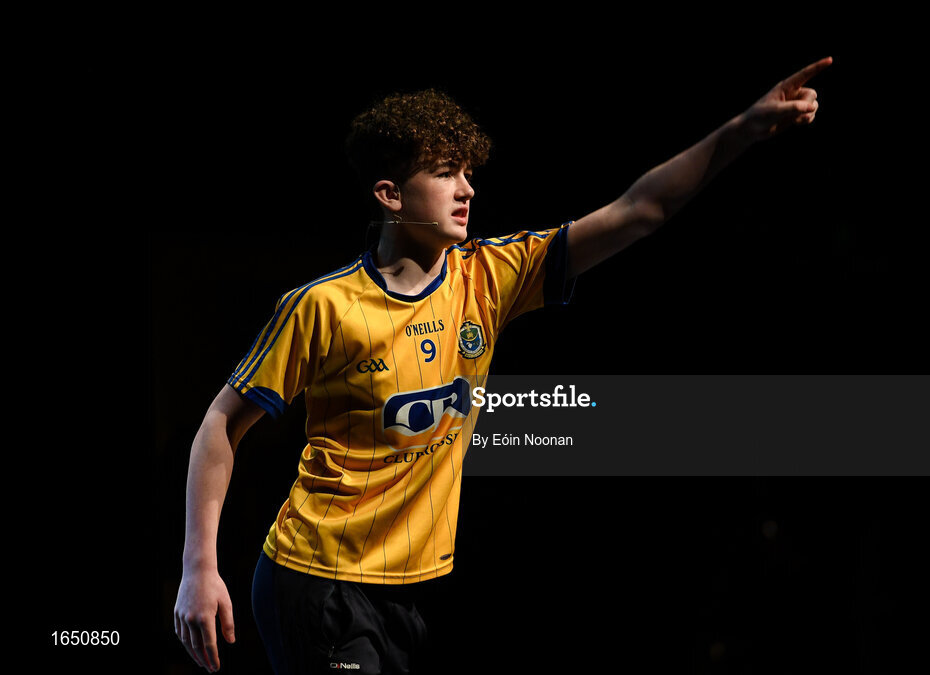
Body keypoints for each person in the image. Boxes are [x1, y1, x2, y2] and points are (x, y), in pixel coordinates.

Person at [173, 56, 833, 673]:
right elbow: (218, 428)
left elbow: (641, 210)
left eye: (468, 171)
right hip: (316, 582)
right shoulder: (323, 306)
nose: (468, 187)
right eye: (444, 172)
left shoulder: (490, 278)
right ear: (390, 194)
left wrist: (743, 131)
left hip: (410, 590)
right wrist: (199, 568)